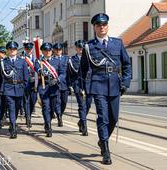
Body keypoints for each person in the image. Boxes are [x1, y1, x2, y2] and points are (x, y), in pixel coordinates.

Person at [80, 13, 131, 165]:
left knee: (113, 118)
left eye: (104, 25)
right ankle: (106, 151)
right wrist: (85, 87)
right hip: (98, 85)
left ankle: (103, 140)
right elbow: (83, 69)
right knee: (103, 117)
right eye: (98, 25)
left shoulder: (118, 43)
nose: (101, 27)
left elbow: (127, 64)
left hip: (115, 84)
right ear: (94, 27)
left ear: (107, 26)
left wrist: (126, 83)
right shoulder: (89, 47)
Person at [0, 41, 29, 139]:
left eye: (14, 49)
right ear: (7, 50)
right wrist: (0, 90)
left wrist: (25, 87)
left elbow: (26, 77)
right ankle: (14, 128)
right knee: (11, 108)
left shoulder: (22, 61)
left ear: (16, 50)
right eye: (10, 49)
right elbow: (0, 78)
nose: (12, 51)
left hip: (19, 88)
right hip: (8, 88)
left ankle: (12, 124)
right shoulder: (3, 62)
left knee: (17, 108)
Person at [35, 42, 65, 137]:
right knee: (46, 107)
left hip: (54, 87)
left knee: (52, 108)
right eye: (45, 50)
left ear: (51, 51)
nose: (47, 52)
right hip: (44, 87)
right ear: (42, 52)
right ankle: (48, 125)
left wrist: (57, 80)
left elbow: (63, 73)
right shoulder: (39, 62)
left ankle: (49, 120)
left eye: (49, 50)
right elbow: (37, 69)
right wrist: (41, 72)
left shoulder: (57, 61)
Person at [67, 40, 89, 136]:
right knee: (82, 106)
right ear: (76, 48)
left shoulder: (89, 58)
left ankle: (81, 121)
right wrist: (70, 86)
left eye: (82, 48)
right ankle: (84, 126)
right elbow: (70, 74)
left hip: (88, 85)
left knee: (87, 106)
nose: (81, 50)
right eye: (79, 48)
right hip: (78, 84)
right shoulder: (72, 60)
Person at [53, 43, 69, 127]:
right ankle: (59, 117)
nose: (58, 51)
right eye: (57, 50)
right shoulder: (51, 60)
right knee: (57, 102)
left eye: (60, 50)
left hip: (64, 84)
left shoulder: (66, 59)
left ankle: (60, 113)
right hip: (55, 84)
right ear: (54, 50)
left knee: (64, 101)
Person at [22, 41, 38, 128]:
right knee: (26, 101)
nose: (28, 50)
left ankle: (29, 113)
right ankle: (28, 118)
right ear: (25, 49)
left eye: (30, 49)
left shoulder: (36, 59)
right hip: (25, 83)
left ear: (32, 49)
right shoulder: (21, 59)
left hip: (33, 83)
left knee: (33, 101)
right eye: (27, 49)